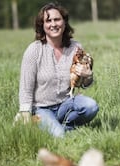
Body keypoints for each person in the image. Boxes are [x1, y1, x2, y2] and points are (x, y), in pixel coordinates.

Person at [16, 2, 99, 137]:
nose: (53, 24)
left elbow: (83, 84)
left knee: (92, 107)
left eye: (57, 19)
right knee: (59, 135)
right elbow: (25, 88)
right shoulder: (34, 50)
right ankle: (43, 124)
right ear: (42, 25)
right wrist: (25, 113)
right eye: (48, 20)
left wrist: (88, 75)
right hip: (41, 108)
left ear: (64, 23)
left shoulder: (75, 47)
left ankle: (54, 126)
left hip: (66, 104)